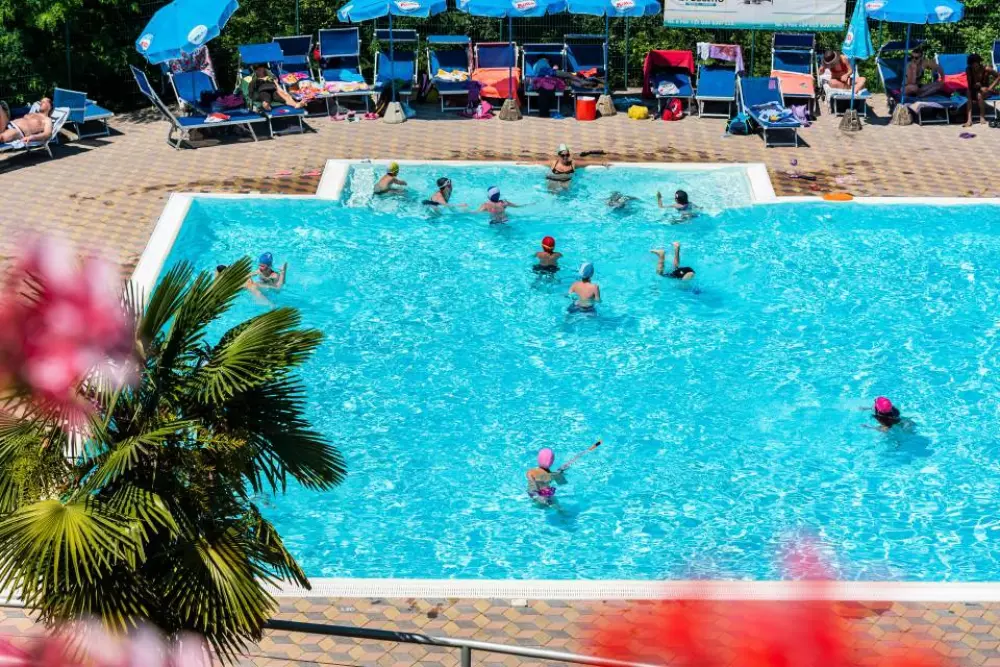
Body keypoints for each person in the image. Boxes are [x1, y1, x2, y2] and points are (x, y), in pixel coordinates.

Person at [545, 144, 609, 190]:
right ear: (558, 155)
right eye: (563, 155)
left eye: (567, 155)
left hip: (566, 186)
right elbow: (540, 164)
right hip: (553, 185)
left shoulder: (573, 164)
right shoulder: (554, 163)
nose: (565, 157)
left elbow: (587, 163)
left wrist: (602, 163)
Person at [964, 54, 1000, 126]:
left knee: (979, 94)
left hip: (985, 90)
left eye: (975, 64)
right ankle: (969, 120)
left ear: (979, 62)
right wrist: (978, 87)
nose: (974, 67)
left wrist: (991, 87)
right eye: (972, 65)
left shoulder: (986, 69)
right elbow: (970, 85)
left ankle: (982, 116)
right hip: (974, 89)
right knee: (968, 93)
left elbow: (998, 76)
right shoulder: (968, 69)